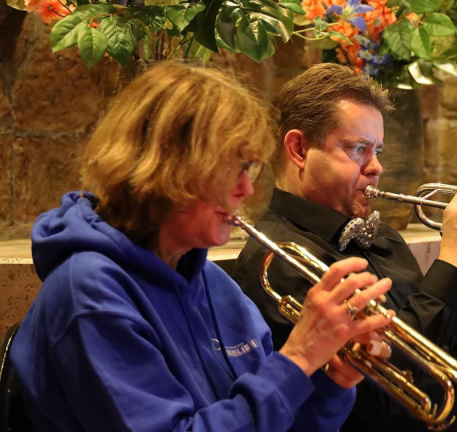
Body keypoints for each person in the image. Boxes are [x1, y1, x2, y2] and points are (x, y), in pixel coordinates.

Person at [10, 62, 396, 432]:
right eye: (235, 167)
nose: (246, 190)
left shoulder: (213, 282)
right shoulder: (89, 293)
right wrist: (297, 358)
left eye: (251, 169)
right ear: (170, 166)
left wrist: (332, 383)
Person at [230, 63, 457, 431]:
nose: (376, 167)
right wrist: (452, 265)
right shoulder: (276, 260)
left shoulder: (383, 237)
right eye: (358, 148)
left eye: (378, 151)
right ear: (298, 149)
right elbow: (382, 404)